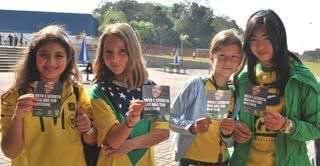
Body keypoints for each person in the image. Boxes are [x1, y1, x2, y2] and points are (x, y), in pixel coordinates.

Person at [231, 9, 320, 166]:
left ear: (279, 38)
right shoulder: (244, 78)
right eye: (253, 39)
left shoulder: (301, 79)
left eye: (267, 38)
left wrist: (286, 125)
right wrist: (236, 126)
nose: (260, 46)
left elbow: (316, 127)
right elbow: (234, 116)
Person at [0, 25, 96, 166]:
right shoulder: (14, 97)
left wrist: (88, 128)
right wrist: (18, 116)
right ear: (34, 57)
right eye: (44, 54)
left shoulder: (77, 92)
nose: (51, 62)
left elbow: (92, 140)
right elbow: (10, 152)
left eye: (59, 55)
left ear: (68, 59)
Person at [89, 23, 170, 165]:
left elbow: (163, 133)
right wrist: (129, 122)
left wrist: (131, 144)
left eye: (122, 51)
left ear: (134, 51)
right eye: (109, 52)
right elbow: (113, 142)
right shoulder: (98, 92)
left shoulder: (154, 89)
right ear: (101, 54)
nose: (115, 59)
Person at [170, 29, 244, 166]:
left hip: (222, 162)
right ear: (211, 57)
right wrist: (191, 127)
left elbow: (230, 142)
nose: (228, 61)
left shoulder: (234, 93)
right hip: (192, 161)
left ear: (239, 61)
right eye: (222, 55)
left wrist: (228, 133)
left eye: (234, 57)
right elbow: (168, 117)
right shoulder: (196, 85)